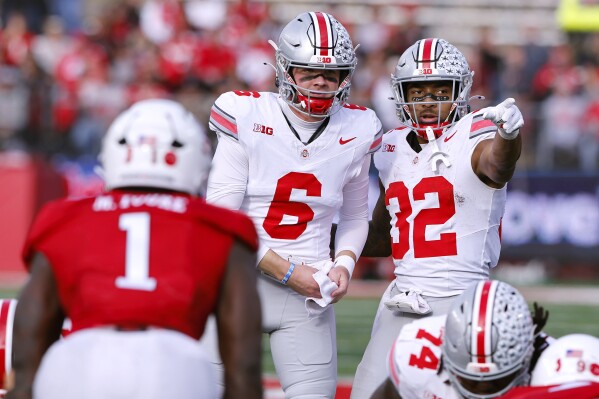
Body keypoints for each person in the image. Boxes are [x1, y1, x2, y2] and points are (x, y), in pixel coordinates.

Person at [6, 99, 263, 399]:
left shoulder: (64, 218)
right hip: (175, 366)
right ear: (197, 161)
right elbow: (243, 362)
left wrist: (22, 387)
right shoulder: (223, 227)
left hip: (80, 362)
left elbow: (32, 324)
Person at [203, 11, 383, 398]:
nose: (321, 81)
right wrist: (287, 272)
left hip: (308, 297)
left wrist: (345, 264)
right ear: (285, 69)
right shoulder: (246, 113)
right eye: (309, 71)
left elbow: (354, 214)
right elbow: (222, 219)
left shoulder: (359, 126)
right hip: (235, 283)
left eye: (331, 74)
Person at [351, 37, 525, 398]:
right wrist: (322, 234)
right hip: (402, 298)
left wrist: (509, 136)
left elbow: (497, 165)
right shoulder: (391, 146)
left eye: (439, 91)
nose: (428, 102)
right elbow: (385, 237)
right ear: (402, 96)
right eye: (418, 92)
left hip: (462, 301)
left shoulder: (476, 132)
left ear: (459, 92)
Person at [370, 280, 537, 399]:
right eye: (471, 382)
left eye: (496, 381)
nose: (481, 395)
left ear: (526, 358)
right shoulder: (417, 355)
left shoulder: (547, 370)